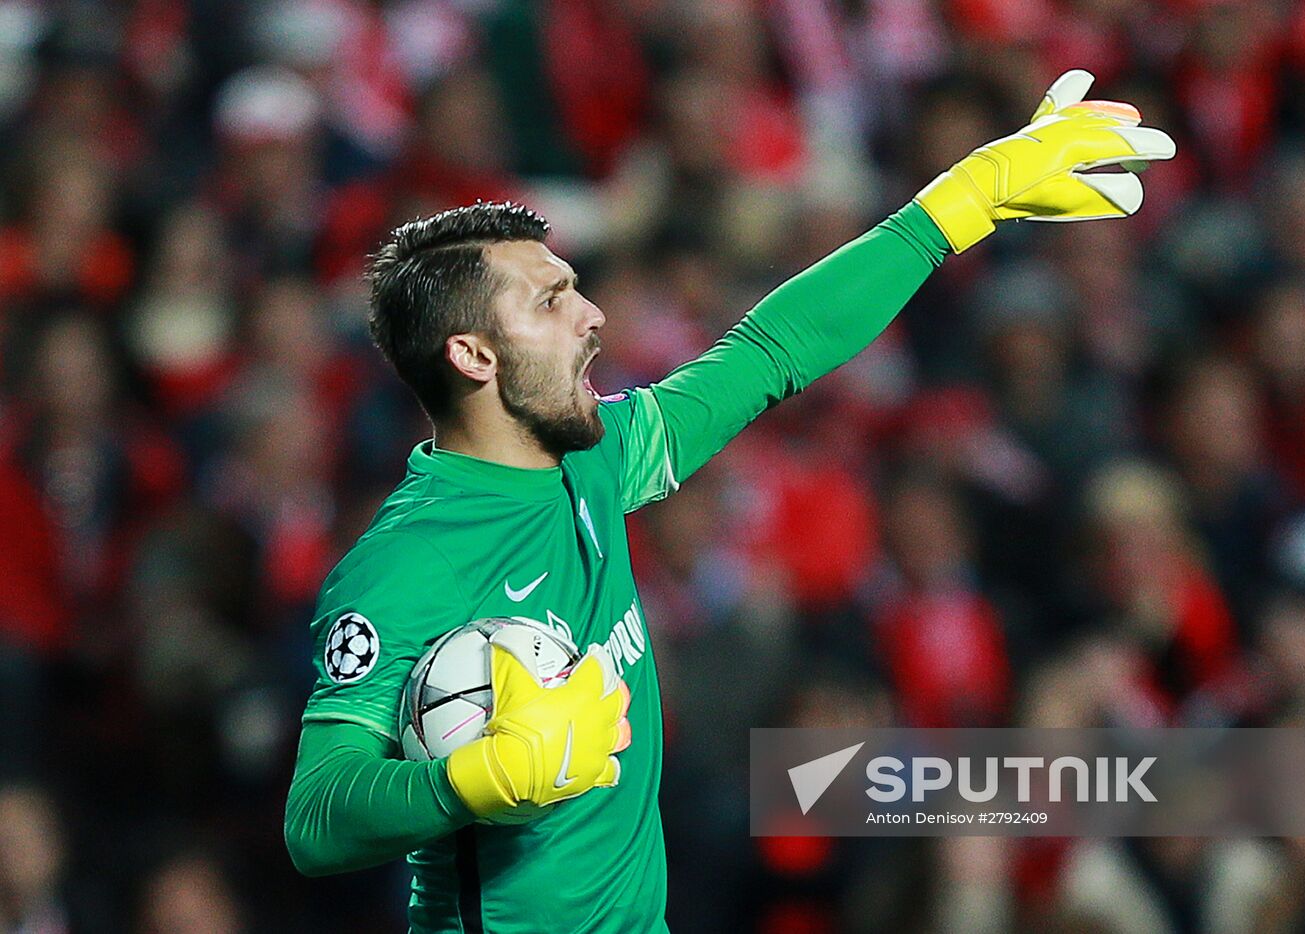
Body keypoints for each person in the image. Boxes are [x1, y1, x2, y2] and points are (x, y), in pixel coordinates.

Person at [283, 70, 1174, 933]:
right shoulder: (407, 564)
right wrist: (474, 780)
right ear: (474, 356)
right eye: (553, 301)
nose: (592, 315)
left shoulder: (595, 459)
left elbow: (766, 353)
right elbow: (316, 819)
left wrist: (954, 208)